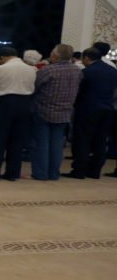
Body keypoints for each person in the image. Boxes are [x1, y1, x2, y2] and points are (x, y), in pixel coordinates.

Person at [0, 47, 37, 181]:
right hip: (24, 105)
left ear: (2, 58)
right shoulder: (31, 69)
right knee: (17, 141)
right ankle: (12, 173)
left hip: (2, 104)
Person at [31, 44, 81, 181]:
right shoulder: (77, 71)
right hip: (65, 112)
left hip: (44, 110)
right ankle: (54, 174)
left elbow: (34, 88)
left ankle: (40, 174)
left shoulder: (48, 70)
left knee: (41, 144)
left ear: (55, 56)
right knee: (57, 145)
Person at [67, 47, 117, 179]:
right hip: (107, 109)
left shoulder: (87, 72)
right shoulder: (112, 71)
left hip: (88, 109)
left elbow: (79, 91)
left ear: (87, 58)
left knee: (83, 139)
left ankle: (79, 170)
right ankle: (95, 171)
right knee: (100, 140)